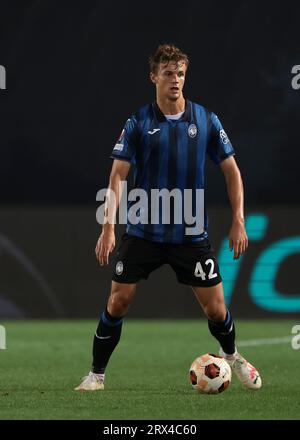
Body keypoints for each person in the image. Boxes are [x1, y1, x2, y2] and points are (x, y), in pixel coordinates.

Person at [75, 44, 262, 391]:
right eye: (168, 74)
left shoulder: (206, 120)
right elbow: (118, 175)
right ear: (154, 77)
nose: (175, 80)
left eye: (180, 74)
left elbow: (232, 171)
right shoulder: (137, 122)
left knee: (216, 310)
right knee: (118, 300)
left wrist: (239, 219)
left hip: (190, 233)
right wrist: (108, 227)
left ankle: (232, 355)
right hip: (144, 231)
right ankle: (96, 376)